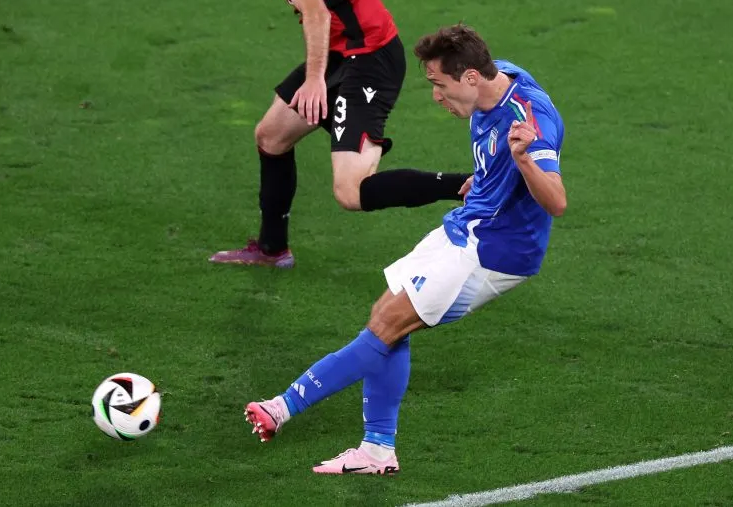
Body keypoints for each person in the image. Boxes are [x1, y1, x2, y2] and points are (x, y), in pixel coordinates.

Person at [242, 24, 567, 474]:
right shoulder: (500, 77)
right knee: (385, 317)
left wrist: (524, 160)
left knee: (386, 327)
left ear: (471, 78)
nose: (436, 96)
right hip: (468, 227)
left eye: (439, 84)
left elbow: (557, 201)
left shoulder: (529, 121)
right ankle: (376, 450)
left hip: (495, 252)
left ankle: (281, 407)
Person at [189, 0, 471, 268]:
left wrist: (316, 81)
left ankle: (469, 185)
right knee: (271, 136)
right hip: (343, 51)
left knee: (351, 191)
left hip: (369, 59)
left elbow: (317, 12)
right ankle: (273, 249)